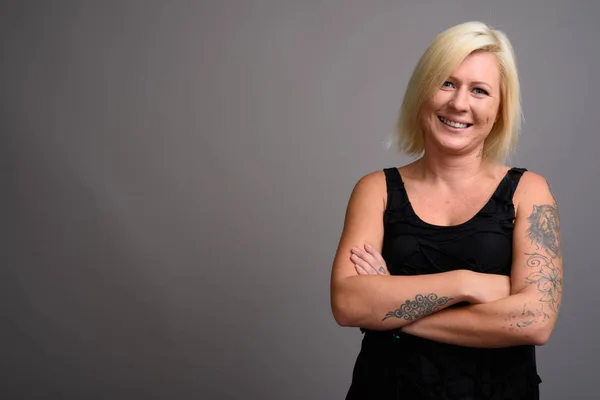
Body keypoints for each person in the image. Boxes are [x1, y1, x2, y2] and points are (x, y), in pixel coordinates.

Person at [329, 21, 563, 399]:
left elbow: (535, 321)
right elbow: (348, 304)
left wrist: (394, 316)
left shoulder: (529, 191)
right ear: (422, 91)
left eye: (480, 90)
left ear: (500, 108)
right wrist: (467, 284)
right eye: (447, 83)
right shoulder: (375, 190)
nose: (459, 103)